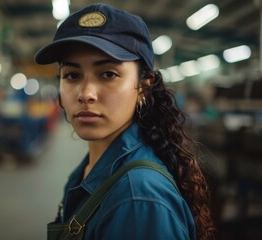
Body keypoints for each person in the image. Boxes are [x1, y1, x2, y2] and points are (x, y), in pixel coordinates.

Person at [35, 3, 215, 240]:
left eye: (108, 74)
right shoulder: (91, 168)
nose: (85, 93)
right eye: (72, 75)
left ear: (143, 87)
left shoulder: (137, 199)